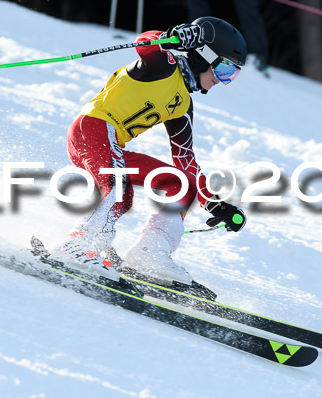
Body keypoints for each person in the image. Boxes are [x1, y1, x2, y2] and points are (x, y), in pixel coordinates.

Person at [50, 17, 248, 286]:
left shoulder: (183, 105)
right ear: (203, 55)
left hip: (111, 144)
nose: (223, 80)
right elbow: (146, 43)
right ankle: (77, 245)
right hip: (93, 128)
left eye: (233, 76)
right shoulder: (163, 66)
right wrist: (173, 36)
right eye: (225, 69)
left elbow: (185, 159)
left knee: (181, 183)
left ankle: (149, 255)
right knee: (117, 188)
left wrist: (212, 202)